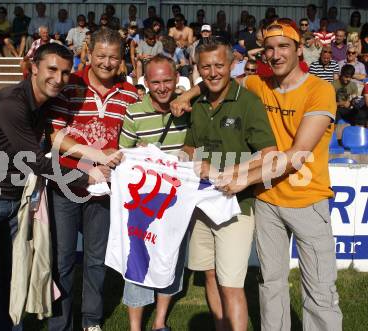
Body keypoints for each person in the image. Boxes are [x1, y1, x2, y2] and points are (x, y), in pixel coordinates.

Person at [171, 18, 343, 331]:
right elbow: (216, 76)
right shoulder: (257, 84)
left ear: (299, 50)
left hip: (307, 199)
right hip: (267, 201)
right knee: (270, 283)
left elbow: (295, 155)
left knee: (319, 288)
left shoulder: (320, 90)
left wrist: (240, 176)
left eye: (283, 47)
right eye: (269, 49)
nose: (276, 55)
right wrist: (187, 95)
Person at [0, 43, 115, 331]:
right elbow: (34, 161)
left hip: (15, 199)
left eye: (66, 72)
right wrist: (86, 177)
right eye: (52, 69)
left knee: (11, 277)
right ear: (34, 68)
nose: (59, 78)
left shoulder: (43, 105)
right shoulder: (12, 103)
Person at [46, 28, 138, 331]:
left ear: (121, 57)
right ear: (89, 52)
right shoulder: (69, 86)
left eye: (113, 57)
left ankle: (91, 321)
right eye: (101, 56)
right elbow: (55, 137)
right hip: (66, 183)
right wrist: (94, 160)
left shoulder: (129, 93)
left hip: (104, 189)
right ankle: (60, 322)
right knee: (62, 259)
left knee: (97, 260)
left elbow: (134, 140)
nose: (107, 63)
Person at [183, 40, 277, 331]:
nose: (212, 72)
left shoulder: (247, 101)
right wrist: (182, 161)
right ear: (198, 69)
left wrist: (225, 172)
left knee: (231, 284)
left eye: (219, 65)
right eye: (206, 66)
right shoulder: (197, 104)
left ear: (231, 66)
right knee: (209, 275)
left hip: (237, 205)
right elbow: (189, 147)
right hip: (202, 204)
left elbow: (269, 153)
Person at [119, 54, 190, 331]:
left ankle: (159, 322)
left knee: (171, 257)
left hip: (175, 200)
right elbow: (122, 153)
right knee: (137, 259)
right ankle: (135, 327)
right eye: (155, 81)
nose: (162, 87)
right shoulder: (134, 111)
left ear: (177, 80)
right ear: (145, 82)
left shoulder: (189, 108)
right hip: (142, 200)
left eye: (167, 81)